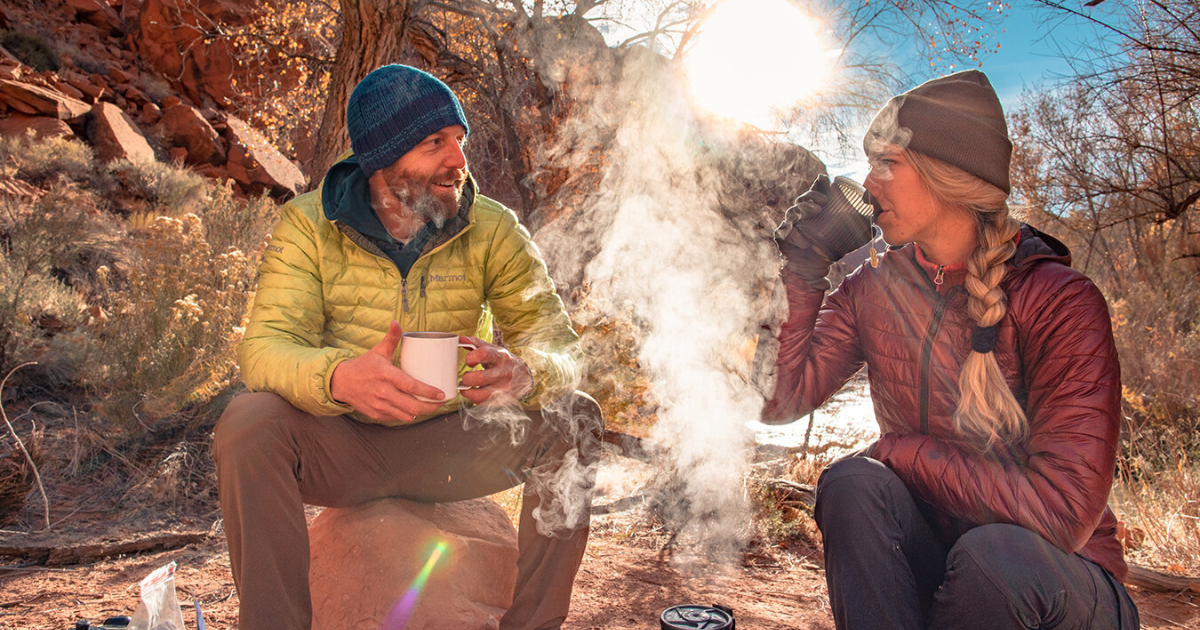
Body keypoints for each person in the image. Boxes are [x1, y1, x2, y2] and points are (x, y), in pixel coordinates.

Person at [213, 64, 603, 630]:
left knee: (575, 416)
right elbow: (266, 349)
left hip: (453, 446)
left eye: (459, 140)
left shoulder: (492, 227)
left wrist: (526, 373)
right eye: (434, 143)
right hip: (342, 445)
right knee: (248, 422)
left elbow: (560, 346)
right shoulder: (308, 225)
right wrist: (339, 378)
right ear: (382, 157)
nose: (459, 159)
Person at [761, 70, 1139, 629]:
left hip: (1055, 583)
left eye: (886, 162)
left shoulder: (1059, 300)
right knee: (851, 485)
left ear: (947, 174)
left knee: (992, 560)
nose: (867, 183)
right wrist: (803, 267)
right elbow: (778, 400)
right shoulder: (875, 288)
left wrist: (901, 452)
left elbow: (1062, 511)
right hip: (946, 568)